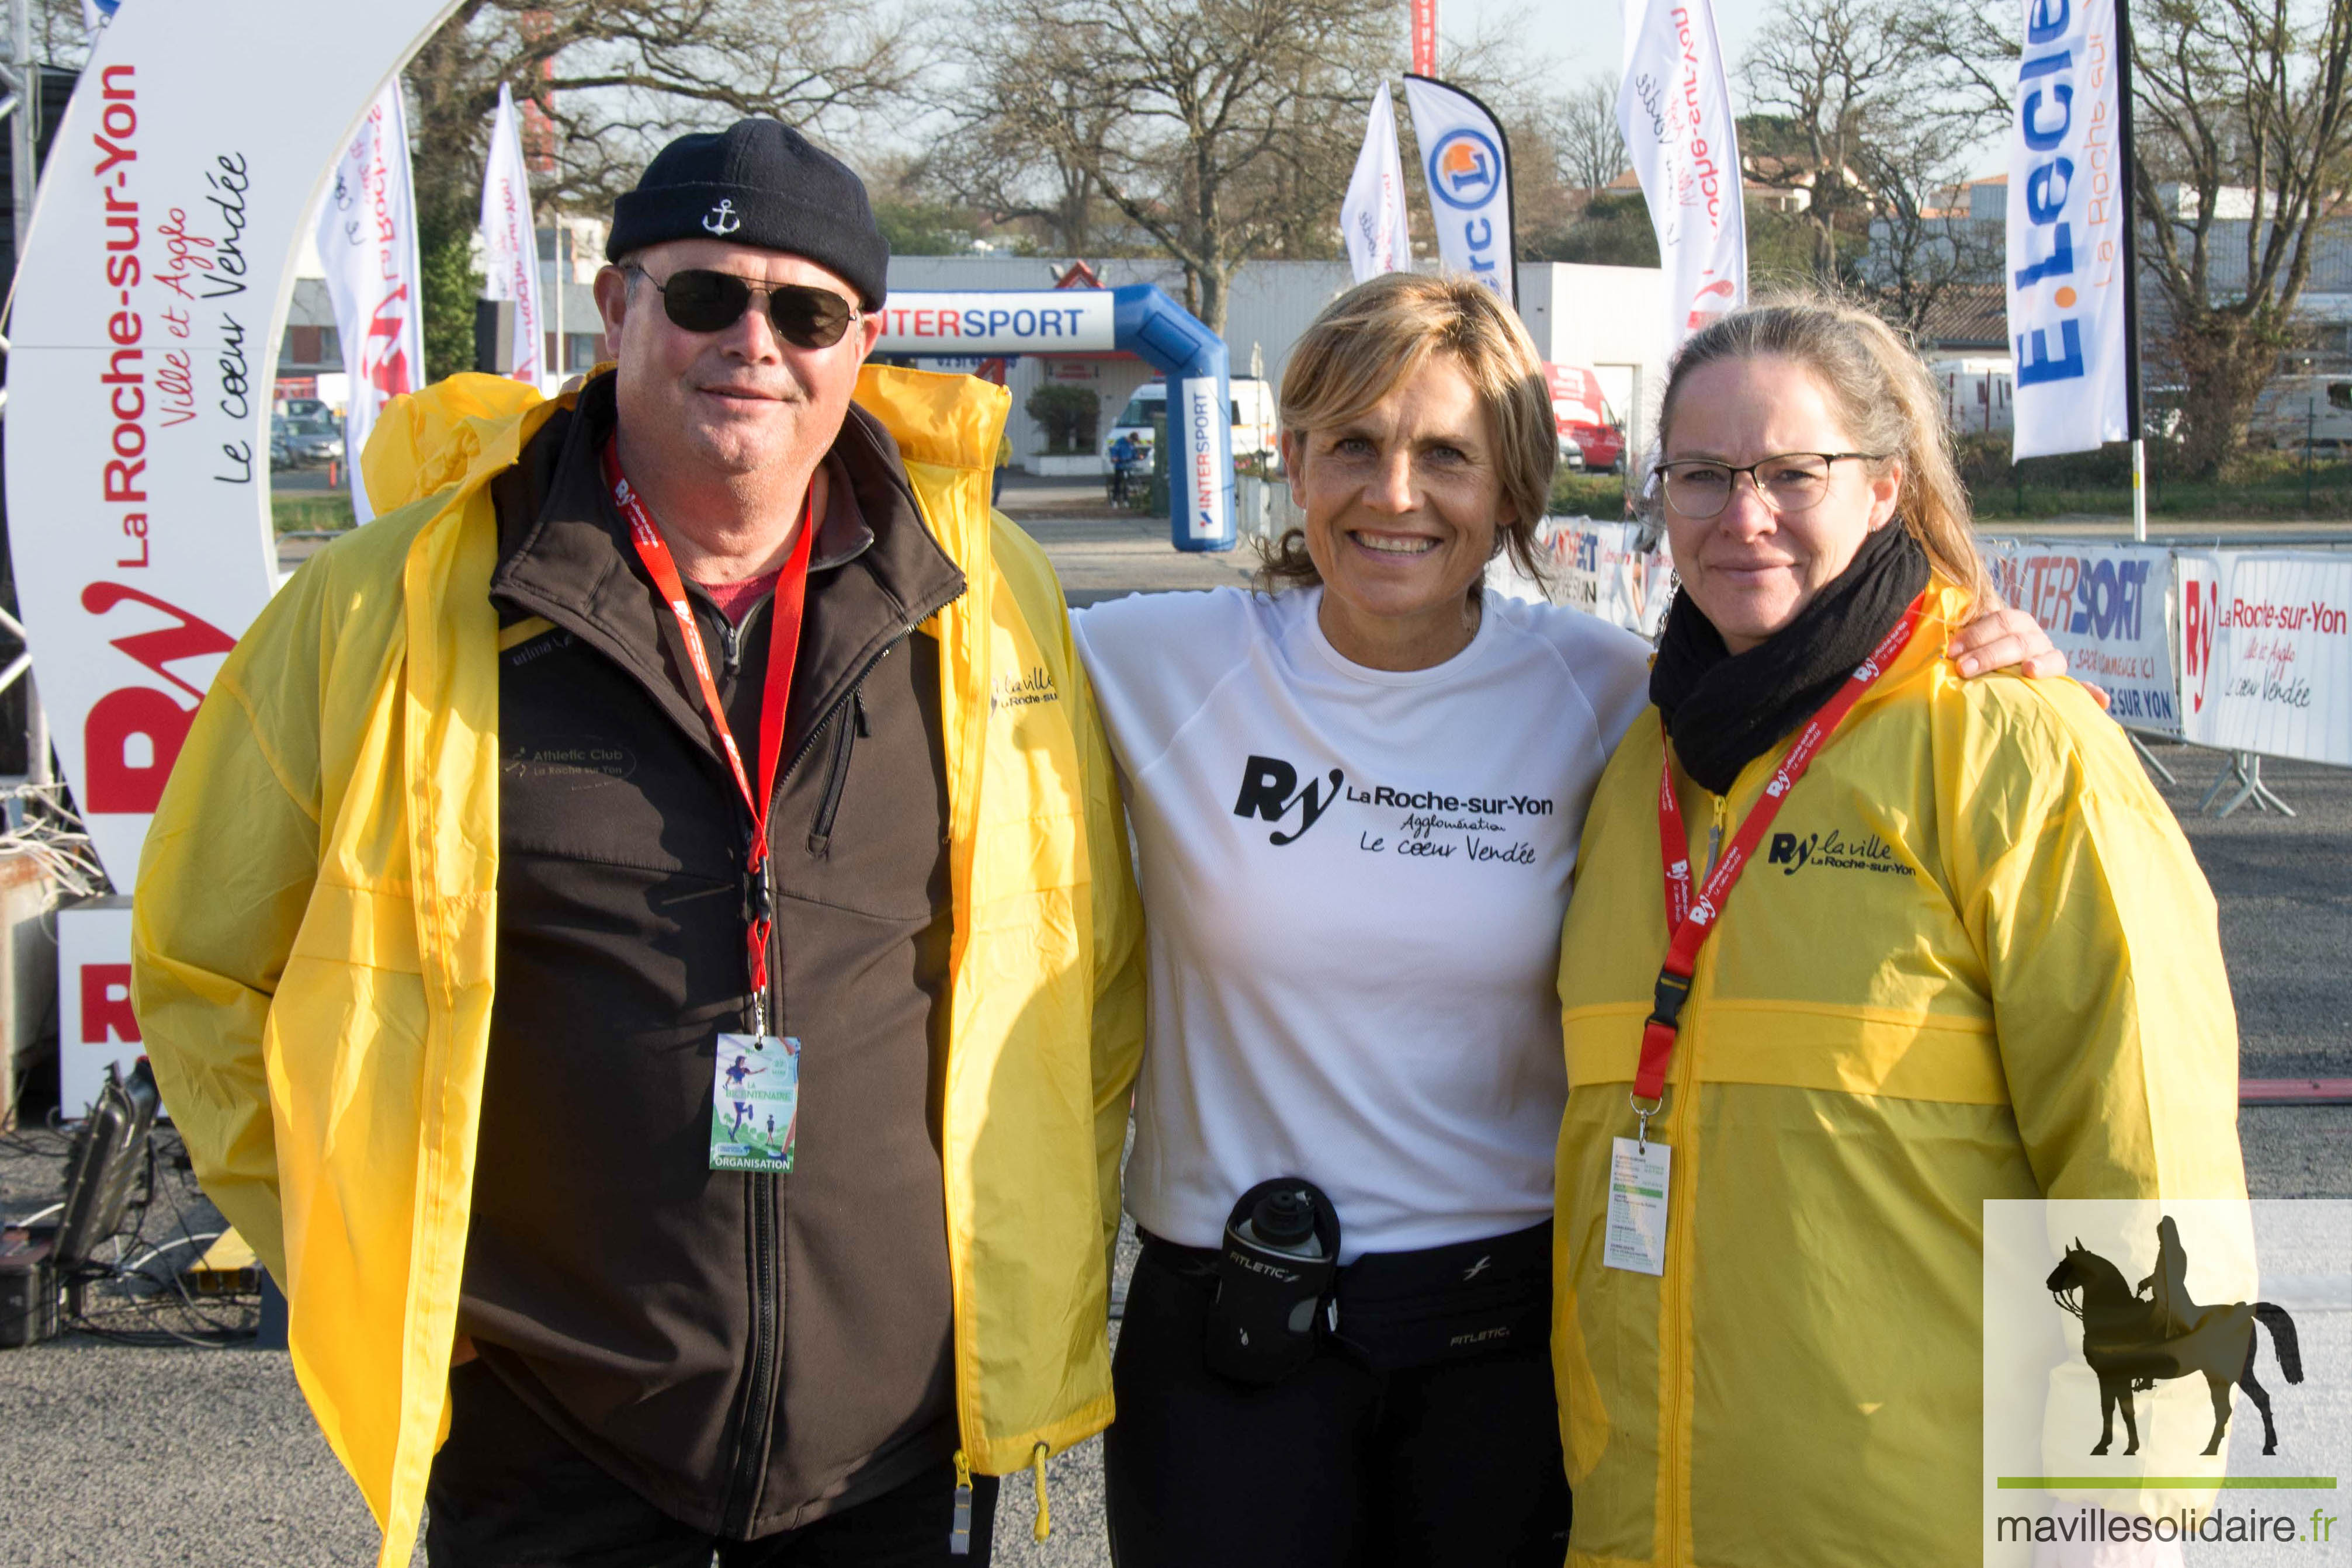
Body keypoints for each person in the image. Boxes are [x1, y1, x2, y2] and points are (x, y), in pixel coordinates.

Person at [132, 120, 1143, 1568]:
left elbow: (1086, 973)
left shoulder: (987, 600)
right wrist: (370, 1262)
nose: (754, 344)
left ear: (863, 343)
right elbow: (199, 966)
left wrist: (1008, 1280)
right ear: (616, 312)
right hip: (548, 1438)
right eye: (704, 297)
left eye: (804, 313)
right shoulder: (387, 604)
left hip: (886, 1448)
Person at [1070, 273, 2064, 1566]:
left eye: (1448, 455)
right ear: (1293, 458)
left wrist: (1985, 661)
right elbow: (930, 648)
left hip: (1507, 1333)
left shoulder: (1608, 692)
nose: (1395, 493)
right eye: (1354, 445)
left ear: (1516, 489)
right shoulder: (1152, 660)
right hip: (1230, 1323)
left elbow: (1813, 706)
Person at [1549, 294, 2246, 1567]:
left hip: (1923, 1526)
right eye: (1702, 475)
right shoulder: (1641, 757)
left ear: (1885, 488)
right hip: (1647, 1520)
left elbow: (2147, 1138)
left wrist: (2127, 1516)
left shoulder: (2014, 740)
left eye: (1791, 473)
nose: (1741, 514)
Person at [1107, 431, 1140, 505]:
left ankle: (1126, 500)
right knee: (1118, 482)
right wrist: (1114, 457)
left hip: (1128, 465)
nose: (1132, 442)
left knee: (1127, 483)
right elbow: (1114, 450)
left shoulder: (1131, 444)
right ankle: (1115, 500)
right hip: (1120, 465)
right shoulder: (1120, 442)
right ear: (1130, 438)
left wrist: (1138, 456)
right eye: (1132, 440)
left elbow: (1134, 453)